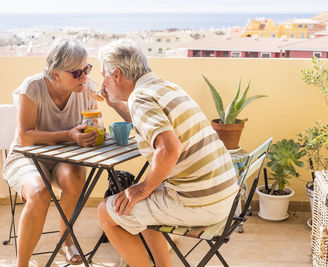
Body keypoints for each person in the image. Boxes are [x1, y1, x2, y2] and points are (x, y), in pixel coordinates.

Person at [97, 39, 238, 267]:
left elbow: (170, 148)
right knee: (145, 204)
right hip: (223, 192)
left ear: (118, 75)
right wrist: (115, 104)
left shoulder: (140, 98)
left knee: (106, 211)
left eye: (104, 74)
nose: (103, 82)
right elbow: (148, 124)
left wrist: (143, 188)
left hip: (201, 202)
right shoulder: (163, 87)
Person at [3, 38, 98, 267]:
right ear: (55, 74)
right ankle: (22, 264)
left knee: (76, 178)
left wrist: (90, 133)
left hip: (64, 156)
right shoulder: (33, 87)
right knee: (39, 192)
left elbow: (93, 124)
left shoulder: (86, 89)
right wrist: (69, 135)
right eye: (76, 73)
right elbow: (25, 136)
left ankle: (65, 240)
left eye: (86, 69)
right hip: (26, 156)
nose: (84, 77)